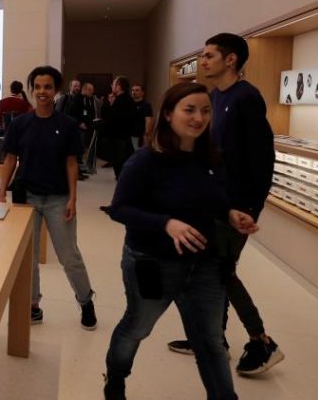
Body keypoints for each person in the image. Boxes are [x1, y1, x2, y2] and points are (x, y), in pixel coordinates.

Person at [104, 82, 260, 400]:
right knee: (137, 327)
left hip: (204, 263)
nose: (198, 118)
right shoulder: (145, 160)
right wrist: (166, 224)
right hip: (152, 262)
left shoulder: (212, 159)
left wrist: (230, 214)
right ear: (168, 114)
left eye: (205, 111)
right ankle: (116, 378)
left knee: (210, 342)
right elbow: (119, 209)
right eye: (189, 110)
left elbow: (215, 200)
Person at [166, 33, 282, 376]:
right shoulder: (213, 97)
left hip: (235, 205)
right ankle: (214, 338)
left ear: (230, 59)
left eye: (209, 56)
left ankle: (261, 340)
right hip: (212, 201)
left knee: (220, 271)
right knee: (213, 272)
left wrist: (250, 207)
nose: (202, 61)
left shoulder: (246, 98)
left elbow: (262, 158)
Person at [0, 65, 95, 329]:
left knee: (68, 255)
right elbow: (10, 160)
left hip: (58, 199)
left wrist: (73, 198)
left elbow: (72, 163)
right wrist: (1, 194)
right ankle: (33, 304)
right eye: (38, 87)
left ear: (56, 90)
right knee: (28, 257)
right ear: (32, 90)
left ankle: (86, 300)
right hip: (26, 198)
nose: (42, 92)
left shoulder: (67, 125)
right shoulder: (21, 123)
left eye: (48, 87)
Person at [103, 77, 139, 179]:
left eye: (113, 85)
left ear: (118, 87)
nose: (112, 86)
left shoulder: (120, 101)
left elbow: (113, 121)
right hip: (125, 137)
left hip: (119, 139)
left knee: (120, 167)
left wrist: (100, 124)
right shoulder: (129, 100)